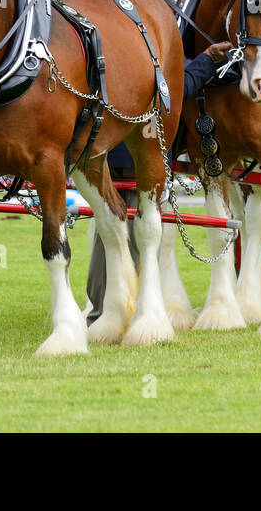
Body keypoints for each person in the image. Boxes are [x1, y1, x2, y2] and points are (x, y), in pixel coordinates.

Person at [85, 40, 236, 326]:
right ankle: (112, 311)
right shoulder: (147, 50)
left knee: (109, 231)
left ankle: (103, 308)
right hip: (137, 157)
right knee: (129, 235)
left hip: (108, 151)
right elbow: (177, 87)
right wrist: (205, 61)